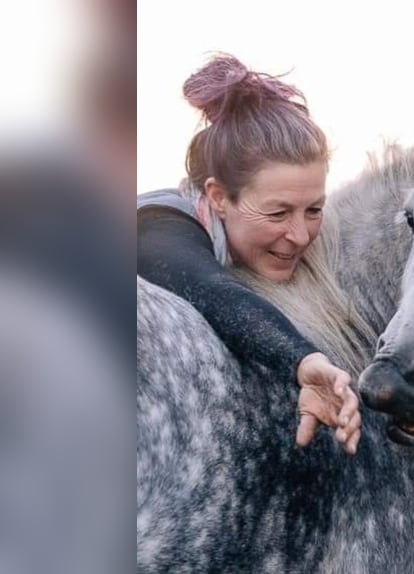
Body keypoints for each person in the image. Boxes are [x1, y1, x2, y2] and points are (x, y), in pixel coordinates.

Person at [137, 54, 361, 454]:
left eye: (313, 210)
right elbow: (210, 290)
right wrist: (302, 360)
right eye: (277, 213)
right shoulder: (156, 227)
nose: (298, 235)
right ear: (218, 198)